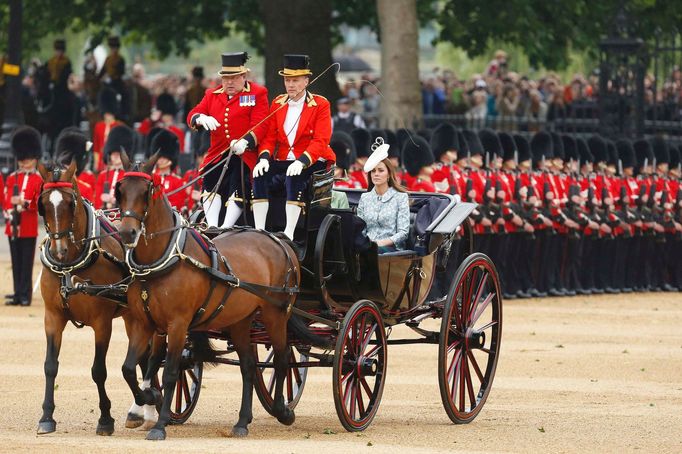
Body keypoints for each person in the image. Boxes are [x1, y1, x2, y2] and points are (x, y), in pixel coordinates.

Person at [252, 54, 335, 240]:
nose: (290, 85)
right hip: (284, 159)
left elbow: (321, 140)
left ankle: (289, 231)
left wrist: (303, 160)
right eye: (287, 80)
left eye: (295, 80)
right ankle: (259, 230)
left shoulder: (321, 104)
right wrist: (264, 157)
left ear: (306, 81)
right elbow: (269, 137)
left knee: (293, 176)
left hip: (313, 160)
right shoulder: (277, 103)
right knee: (259, 175)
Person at [187, 52, 269, 228]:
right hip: (218, 153)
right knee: (210, 181)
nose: (229, 83)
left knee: (237, 182)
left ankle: (227, 226)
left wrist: (246, 142)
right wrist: (200, 118)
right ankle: (213, 226)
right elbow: (192, 114)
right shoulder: (212, 94)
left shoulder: (257, 93)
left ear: (244, 76)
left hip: (244, 153)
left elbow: (260, 125)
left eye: (234, 78)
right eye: (225, 78)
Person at [4, 126, 43, 306]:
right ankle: (17, 292)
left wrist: (24, 204)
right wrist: (9, 209)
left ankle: (26, 293)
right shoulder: (12, 178)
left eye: (26, 160)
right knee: (16, 261)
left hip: (28, 226)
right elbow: (5, 197)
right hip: (13, 225)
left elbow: (38, 203)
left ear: (34, 159)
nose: (23, 163)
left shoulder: (38, 179)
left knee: (26, 262)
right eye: (21, 160)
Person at [356, 141, 410, 253]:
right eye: (373, 171)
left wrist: (380, 243)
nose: (376, 174)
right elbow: (360, 228)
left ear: (389, 174)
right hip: (367, 247)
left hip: (391, 250)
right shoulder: (365, 198)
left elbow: (403, 232)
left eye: (381, 170)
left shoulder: (400, 197)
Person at [94, 125, 133, 209]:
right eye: (113, 153)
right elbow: (97, 200)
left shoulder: (128, 176)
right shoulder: (103, 175)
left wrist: (114, 201)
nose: (115, 156)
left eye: (119, 153)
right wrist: (102, 199)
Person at [53, 127, 96, 203]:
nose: (66, 169)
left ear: (77, 167)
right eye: (65, 165)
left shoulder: (85, 189)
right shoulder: (52, 186)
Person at [149, 129, 187, 211]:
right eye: (159, 157)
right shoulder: (150, 178)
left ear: (170, 158)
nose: (161, 160)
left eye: (164, 157)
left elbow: (180, 202)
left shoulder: (178, 181)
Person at [92, 86, 123, 171]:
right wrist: (96, 163)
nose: (107, 116)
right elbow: (96, 147)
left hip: (115, 163)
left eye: (109, 114)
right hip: (101, 163)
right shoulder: (98, 126)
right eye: (106, 113)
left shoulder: (119, 126)